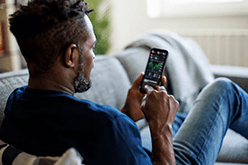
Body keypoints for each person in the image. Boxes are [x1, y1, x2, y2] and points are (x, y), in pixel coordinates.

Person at [0, 0, 247, 165]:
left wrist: (128, 112)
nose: (94, 57)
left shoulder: (15, 104)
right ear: (71, 56)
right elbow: (106, 134)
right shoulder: (109, 125)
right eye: (91, 48)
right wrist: (161, 130)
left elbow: (97, 144)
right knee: (223, 90)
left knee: (182, 116)